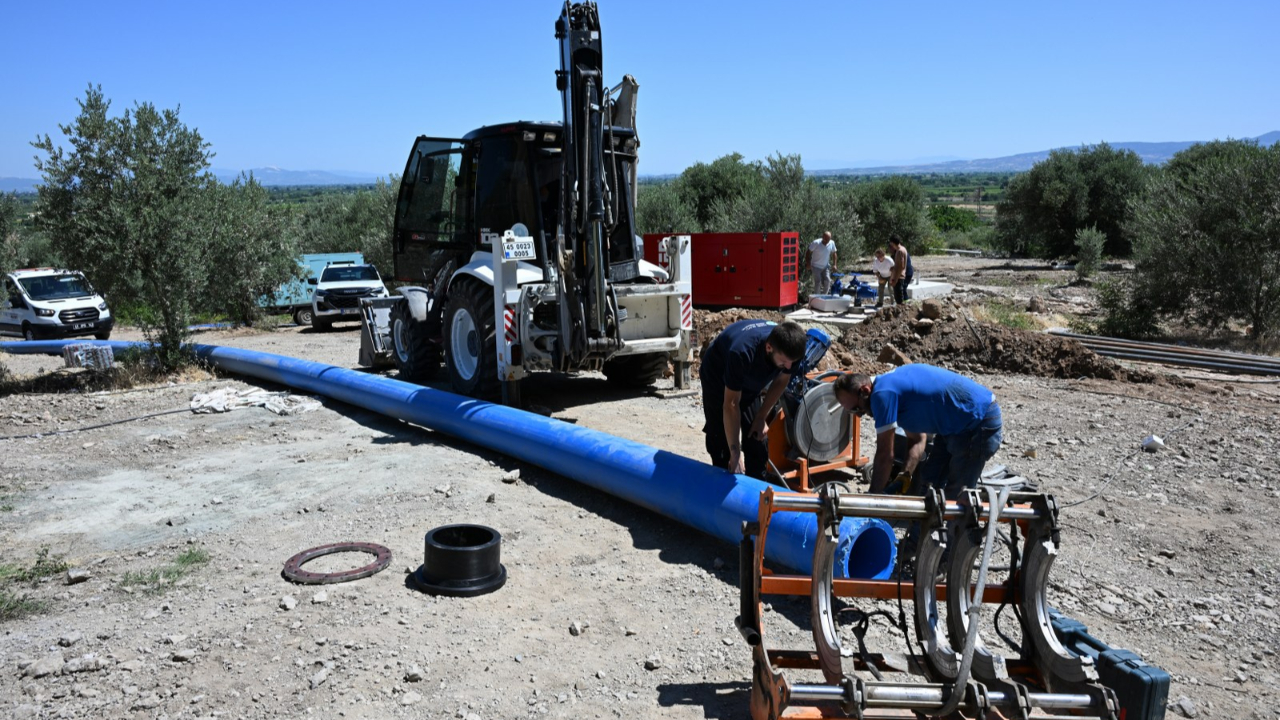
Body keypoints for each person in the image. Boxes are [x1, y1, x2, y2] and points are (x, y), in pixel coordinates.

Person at [833, 364, 1002, 500]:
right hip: (956, 425)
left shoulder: (882, 394)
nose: (861, 415)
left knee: (956, 497)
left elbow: (885, 455)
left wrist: (871, 500)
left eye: (857, 409)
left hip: (979, 420)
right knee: (929, 487)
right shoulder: (894, 391)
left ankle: (958, 540)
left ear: (865, 390)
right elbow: (917, 440)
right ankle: (916, 542)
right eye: (854, 412)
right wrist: (904, 475)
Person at [700, 319, 808, 479]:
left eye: (791, 362)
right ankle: (722, 488)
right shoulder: (742, 352)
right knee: (721, 441)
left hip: (750, 380)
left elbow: (781, 381)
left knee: (757, 438)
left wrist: (761, 417)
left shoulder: (792, 351)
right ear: (769, 348)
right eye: (784, 361)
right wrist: (735, 452)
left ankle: (758, 490)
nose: (788, 366)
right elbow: (731, 404)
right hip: (717, 377)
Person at [804, 232, 838, 296]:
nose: (827, 242)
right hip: (815, 266)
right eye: (826, 240)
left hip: (825, 266)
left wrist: (834, 264)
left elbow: (834, 253)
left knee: (827, 280)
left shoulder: (831, 243)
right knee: (818, 281)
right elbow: (808, 252)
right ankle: (817, 297)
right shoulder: (816, 243)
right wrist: (808, 263)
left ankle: (824, 296)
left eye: (828, 240)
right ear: (823, 237)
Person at [888, 235, 913, 305]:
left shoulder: (900, 251)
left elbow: (901, 266)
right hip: (899, 276)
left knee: (899, 299)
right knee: (899, 297)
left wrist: (895, 279)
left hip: (899, 277)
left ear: (892, 243)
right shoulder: (903, 249)